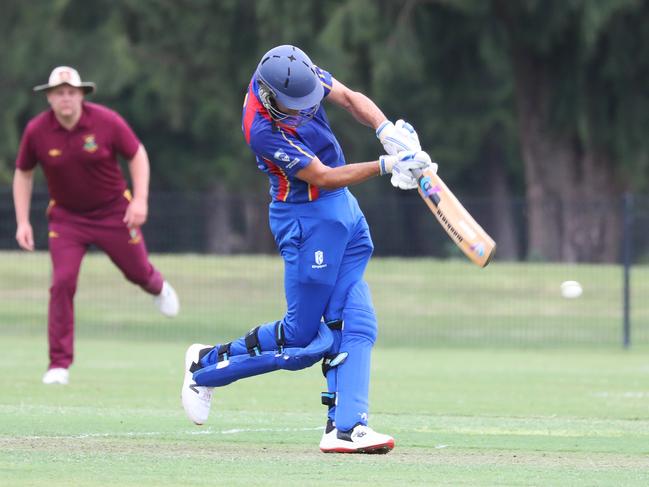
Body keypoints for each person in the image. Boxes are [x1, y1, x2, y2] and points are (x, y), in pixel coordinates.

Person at [181, 45, 436, 453]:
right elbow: (323, 175)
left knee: (356, 322)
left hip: (344, 213)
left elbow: (351, 98)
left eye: (307, 105)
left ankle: (346, 428)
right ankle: (204, 366)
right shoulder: (261, 129)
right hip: (306, 219)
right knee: (301, 343)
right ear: (269, 97)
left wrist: (387, 131)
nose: (304, 112)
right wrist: (386, 166)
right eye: (294, 109)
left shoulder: (293, 70)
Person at [13, 66, 180, 386]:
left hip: (114, 213)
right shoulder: (37, 131)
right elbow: (23, 172)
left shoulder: (107, 121)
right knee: (62, 283)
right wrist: (22, 221)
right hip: (66, 219)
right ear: (49, 97)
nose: (65, 98)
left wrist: (140, 199)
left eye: (71, 92)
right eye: (59, 93)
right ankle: (59, 365)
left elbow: (137, 155)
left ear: (81, 95)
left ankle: (157, 285)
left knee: (137, 273)